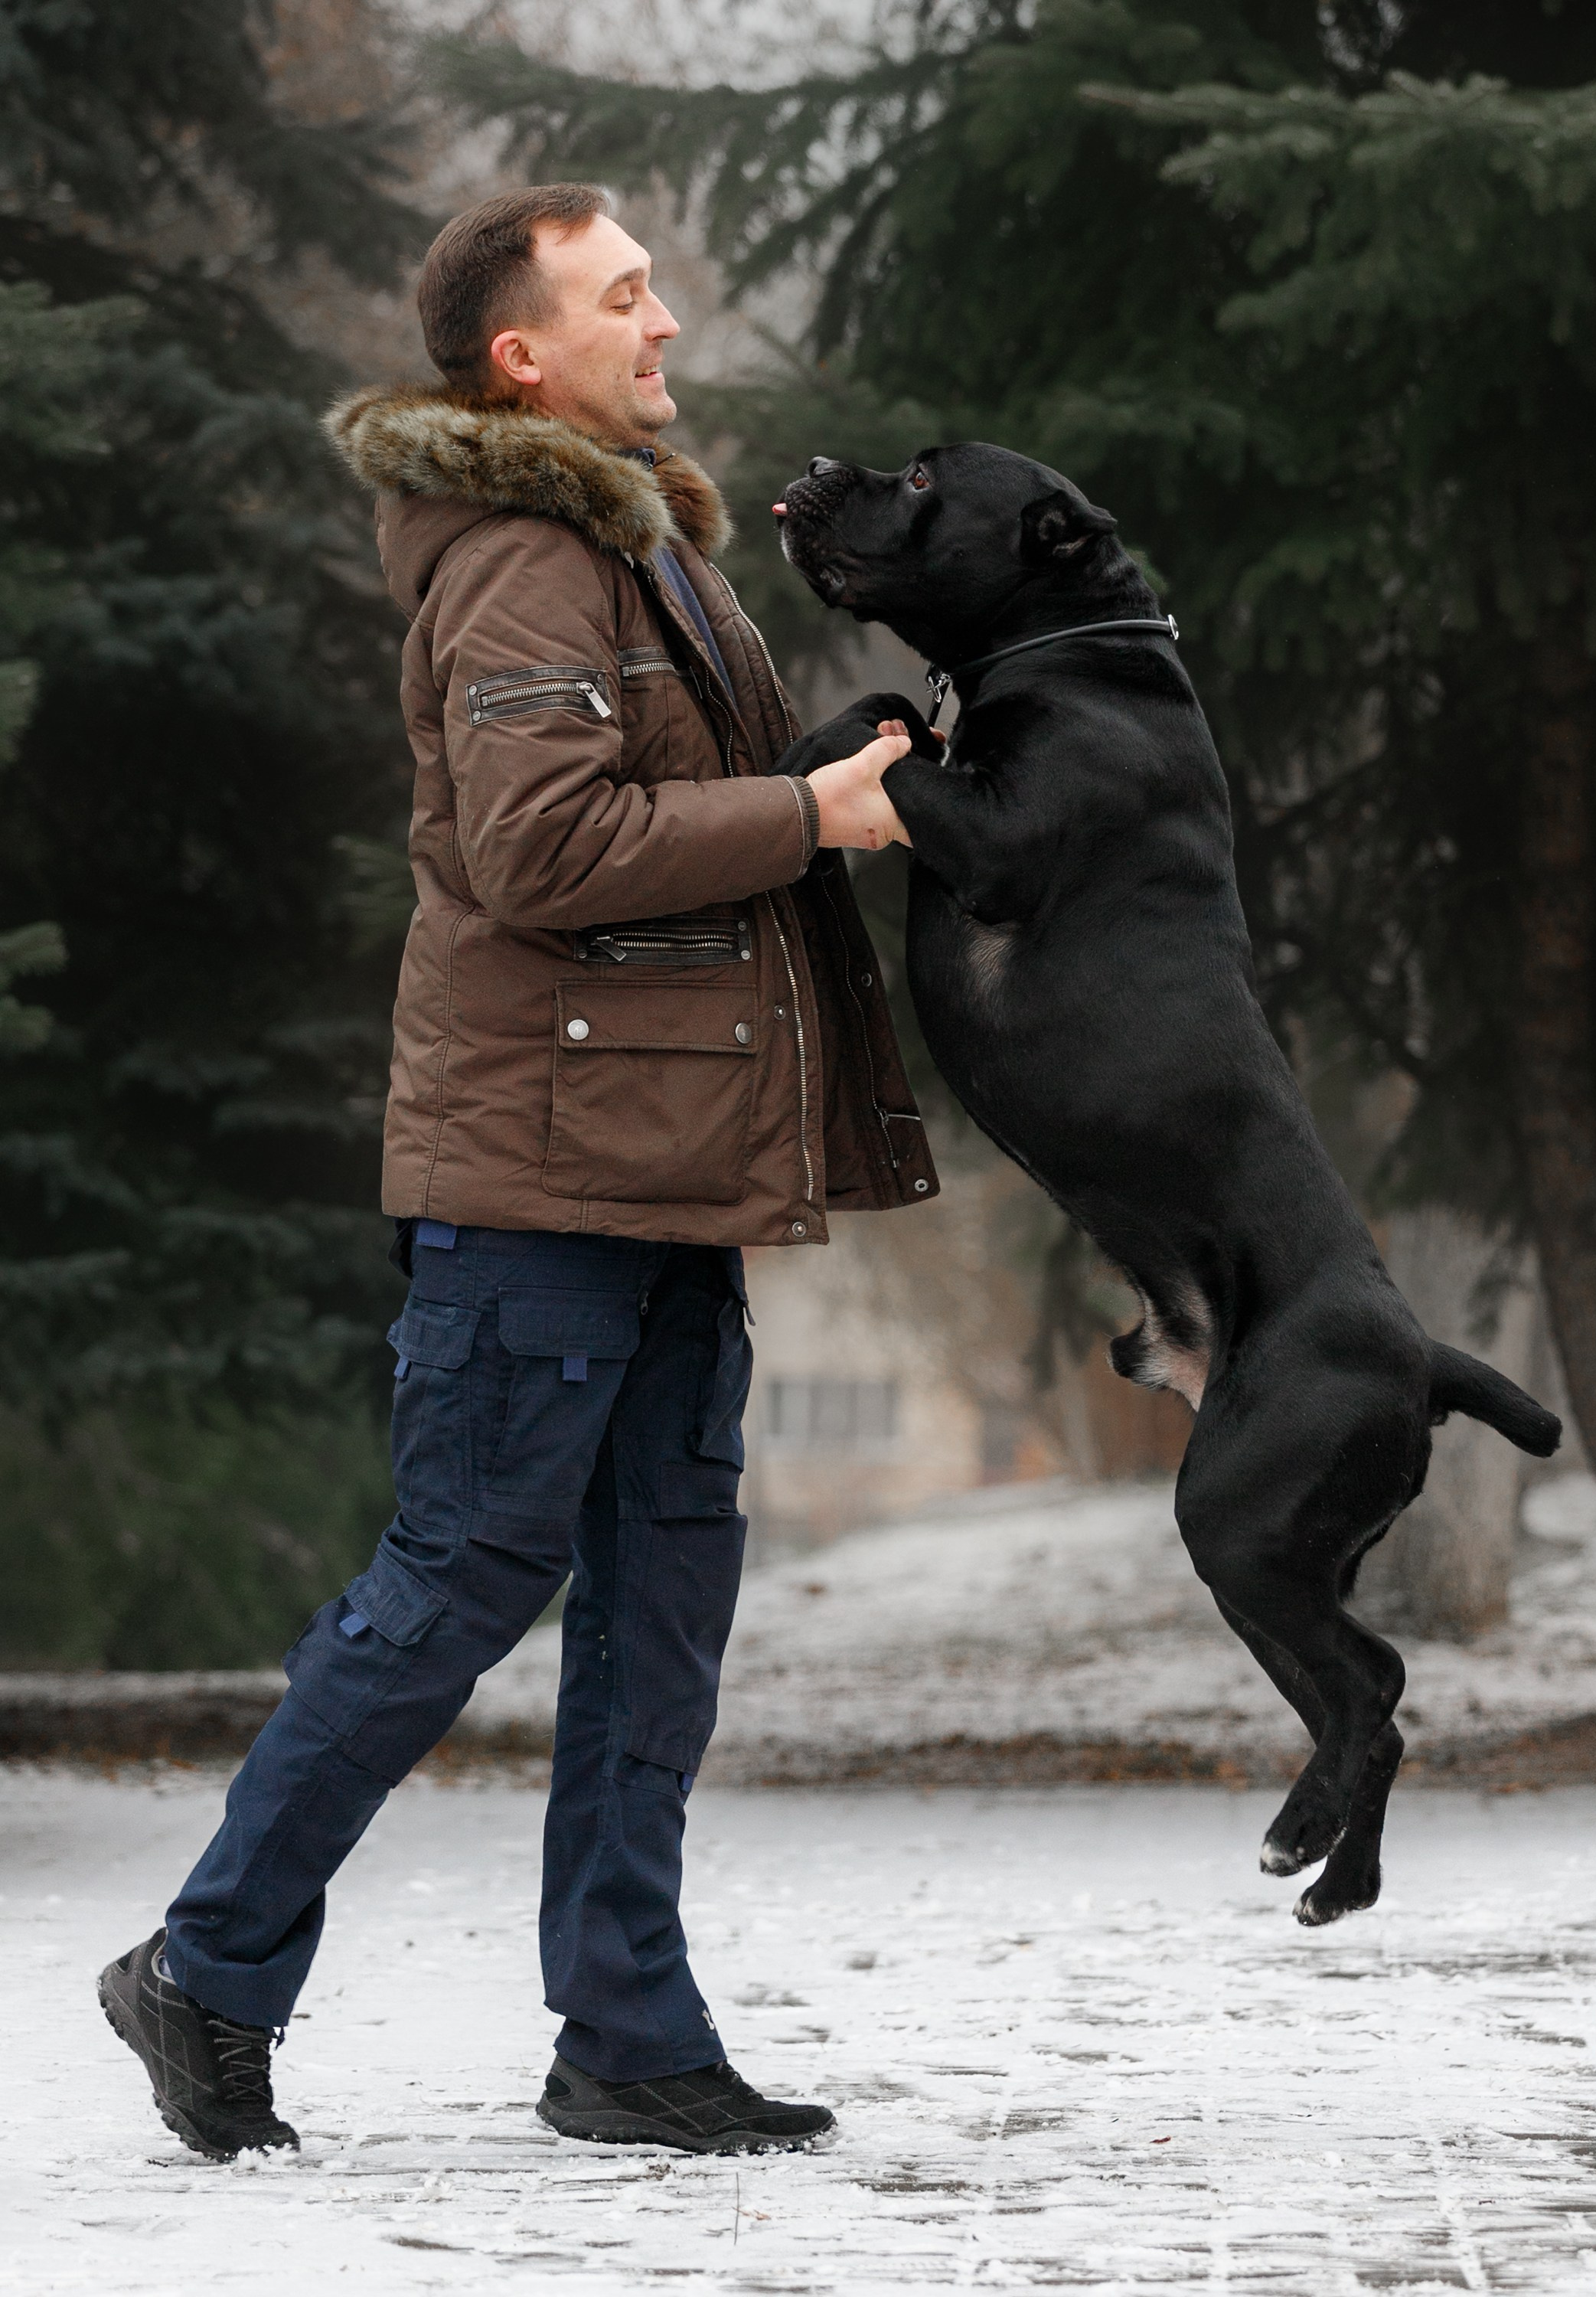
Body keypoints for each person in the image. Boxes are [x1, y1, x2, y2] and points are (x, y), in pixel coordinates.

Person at [97, 184, 937, 2163]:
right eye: (622, 295)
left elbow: (691, 803)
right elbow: (543, 846)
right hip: (541, 1185)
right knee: (457, 1583)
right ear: (521, 356)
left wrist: (858, 762)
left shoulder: (636, 547)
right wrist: (808, 816)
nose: (663, 321)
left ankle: (626, 2034)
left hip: (660, 1175)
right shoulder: (520, 562)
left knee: (659, 1609)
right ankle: (206, 1970)